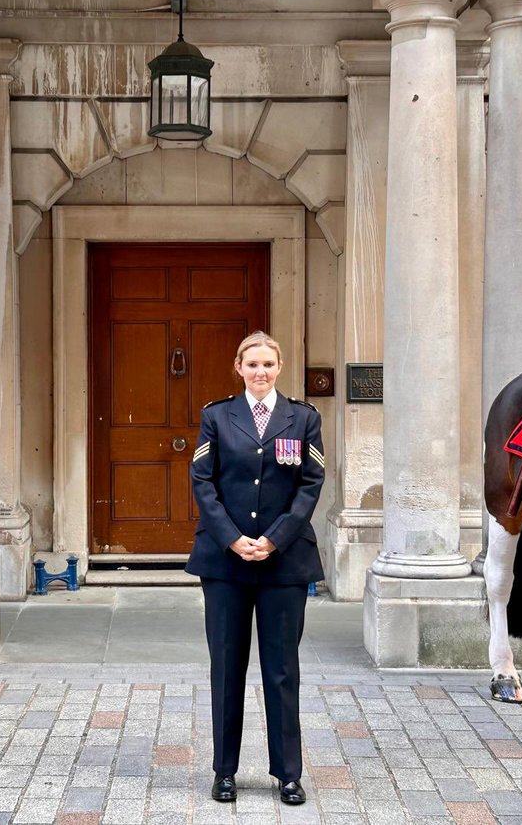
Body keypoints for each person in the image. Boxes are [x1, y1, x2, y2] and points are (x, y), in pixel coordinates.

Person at [186, 331, 325, 806]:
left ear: (279, 367)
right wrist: (232, 537)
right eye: (252, 364)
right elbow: (203, 482)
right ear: (239, 368)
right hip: (225, 562)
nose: (260, 372)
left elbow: (311, 483)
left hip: (284, 562)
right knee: (227, 668)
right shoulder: (216, 416)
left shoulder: (302, 418)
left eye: (268, 364)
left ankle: (288, 774)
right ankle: (224, 771)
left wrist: (274, 538)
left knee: (282, 670)